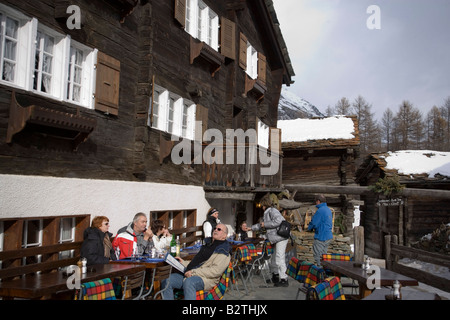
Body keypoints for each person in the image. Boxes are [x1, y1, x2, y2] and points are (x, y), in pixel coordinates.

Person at [162, 223, 231, 300]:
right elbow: (197, 262)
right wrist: (183, 262)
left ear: (224, 236)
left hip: (206, 279)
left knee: (189, 282)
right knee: (167, 280)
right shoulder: (207, 245)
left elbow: (215, 271)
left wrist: (194, 272)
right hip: (189, 273)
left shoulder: (224, 252)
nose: (215, 230)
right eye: (215, 228)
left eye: (219, 229)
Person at [251, 194, 289, 287]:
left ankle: (284, 279)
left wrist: (266, 224)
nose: (262, 207)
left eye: (262, 205)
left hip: (281, 238)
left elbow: (278, 221)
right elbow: (262, 225)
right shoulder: (268, 212)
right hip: (276, 238)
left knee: (279, 257)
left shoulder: (273, 211)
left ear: (264, 205)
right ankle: (275, 275)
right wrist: (250, 228)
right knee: (274, 258)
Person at [307, 194, 333, 267]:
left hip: (321, 236)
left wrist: (308, 227)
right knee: (324, 256)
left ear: (318, 201)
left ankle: (320, 273)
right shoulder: (328, 209)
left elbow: (315, 223)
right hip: (328, 235)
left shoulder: (320, 211)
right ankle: (324, 272)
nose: (315, 203)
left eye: (316, 202)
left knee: (318, 256)